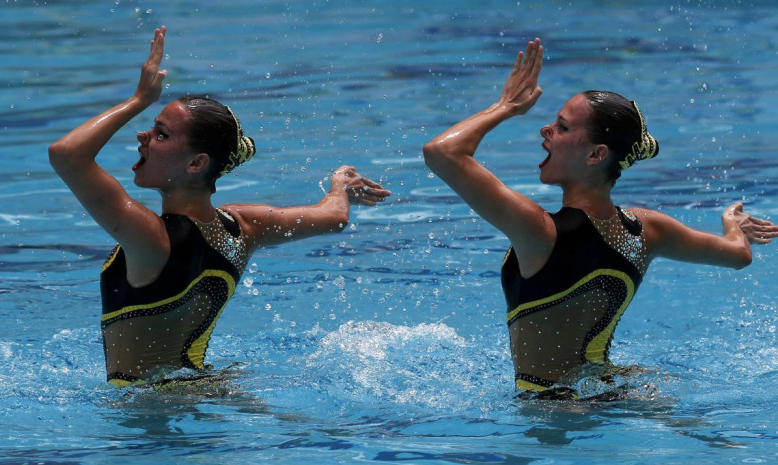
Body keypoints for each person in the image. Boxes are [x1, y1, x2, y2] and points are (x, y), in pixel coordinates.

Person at [423, 38, 778, 396]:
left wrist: (506, 106)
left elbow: (442, 152)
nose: (546, 130)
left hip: (554, 414)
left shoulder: (540, 232)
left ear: (596, 155)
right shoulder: (648, 230)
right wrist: (734, 225)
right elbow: (739, 255)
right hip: (619, 387)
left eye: (562, 127)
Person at [48, 26, 391, 387]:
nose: (143, 136)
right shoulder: (244, 225)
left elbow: (67, 155)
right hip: (210, 388)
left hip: (151, 414)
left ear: (196, 164)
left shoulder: (151, 238)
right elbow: (334, 217)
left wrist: (139, 99)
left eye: (161, 134)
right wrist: (341, 184)